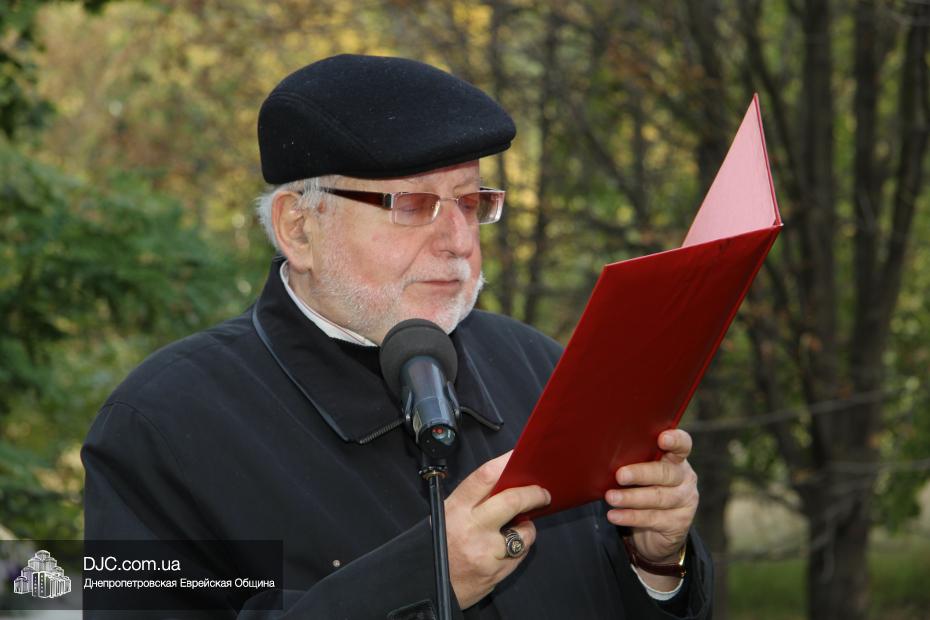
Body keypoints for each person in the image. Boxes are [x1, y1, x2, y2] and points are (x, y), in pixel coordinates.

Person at [83, 54, 713, 619]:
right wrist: (422, 581)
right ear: (299, 227)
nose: (458, 241)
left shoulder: (540, 370)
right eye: (412, 206)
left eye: (470, 203)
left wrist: (657, 565)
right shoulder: (161, 425)